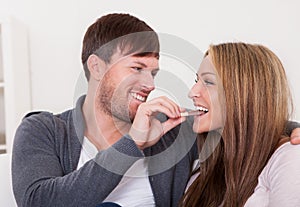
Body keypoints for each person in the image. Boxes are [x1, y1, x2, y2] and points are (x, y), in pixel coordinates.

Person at [11, 13, 300, 207]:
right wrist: (132, 143)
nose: (149, 84)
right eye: (137, 68)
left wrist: (292, 130)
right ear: (96, 66)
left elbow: (242, 116)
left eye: (154, 72)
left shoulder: (174, 132)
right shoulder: (44, 130)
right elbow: (38, 200)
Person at [181, 42, 300, 207]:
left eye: (208, 82)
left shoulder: (290, 158)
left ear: (244, 93)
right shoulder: (204, 173)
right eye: (197, 80)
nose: (192, 92)